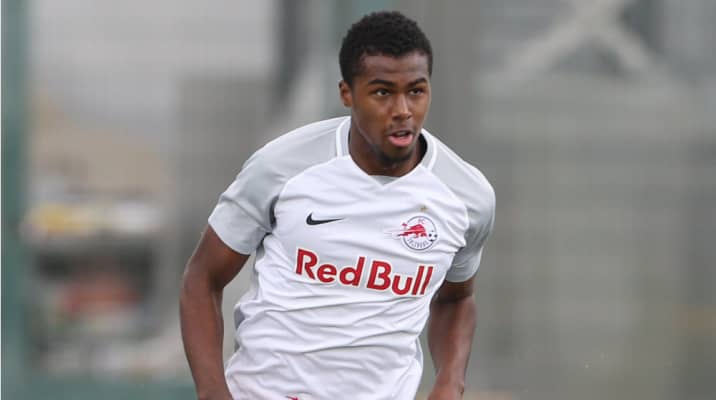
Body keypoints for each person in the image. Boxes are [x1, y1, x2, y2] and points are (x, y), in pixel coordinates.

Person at [180, 10, 495, 400]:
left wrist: (450, 381)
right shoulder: (280, 167)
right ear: (347, 93)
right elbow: (202, 279)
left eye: (416, 91)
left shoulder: (467, 197)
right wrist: (213, 392)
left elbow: (457, 298)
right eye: (383, 92)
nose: (402, 110)